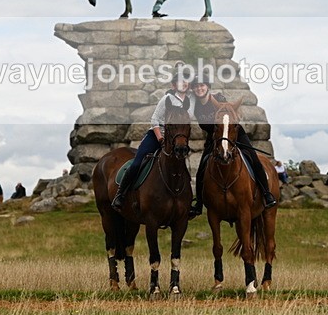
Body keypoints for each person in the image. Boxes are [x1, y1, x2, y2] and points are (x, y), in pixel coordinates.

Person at [189, 74, 277, 218]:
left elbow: (232, 112)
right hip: (214, 139)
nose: (199, 88)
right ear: (193, 89)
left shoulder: (219, 99)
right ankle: (199, 204)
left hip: (233, 135)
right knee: (201, 169)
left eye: (202, 85)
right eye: (196, 86)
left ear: (208, 87)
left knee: (253, 159)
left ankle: (267, 194)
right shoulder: (195, 105)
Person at [111, 71, 195, 211]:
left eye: (185, 81)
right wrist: (160, 138)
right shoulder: (167, 98)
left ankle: (186, 201)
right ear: (174, 85)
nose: (183, 83)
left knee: (182, 167)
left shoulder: (191, 100)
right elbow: (155, 119)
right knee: (138, 163)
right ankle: (121, 194)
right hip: (158, 135)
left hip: (177, 138)